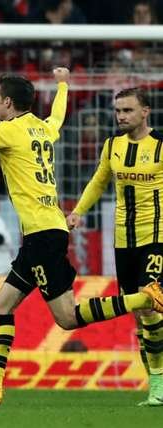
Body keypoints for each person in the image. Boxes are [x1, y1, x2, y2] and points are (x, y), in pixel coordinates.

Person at [0, 68, 163, 408]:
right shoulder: (43, 128)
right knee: (1, 306)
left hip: (42, 235)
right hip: (46, 232)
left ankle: (144, 298)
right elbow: (58, 114)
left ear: (8, 103)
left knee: (67, 318)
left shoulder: (9, 130)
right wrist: (62, 84)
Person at [67, 88, 163, 406]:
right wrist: (79, 210)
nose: (121, 116)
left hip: (156, 236)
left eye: (128, 110)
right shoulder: (113, 146)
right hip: (123, 240)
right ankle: (156, 386)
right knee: (140, 314)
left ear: (145, 112)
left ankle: (159, 388)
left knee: (149, 302)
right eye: (118, 111)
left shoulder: (161, 146)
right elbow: (98, 180)